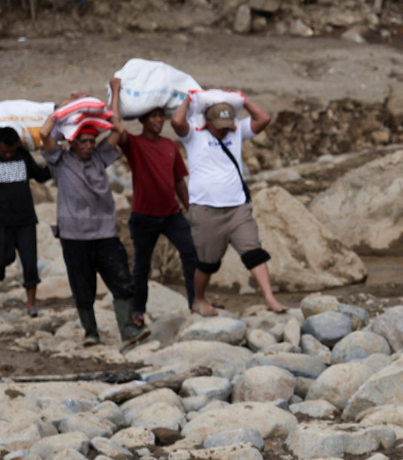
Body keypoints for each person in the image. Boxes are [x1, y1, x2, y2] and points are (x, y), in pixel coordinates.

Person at [39, 105, 148, 347]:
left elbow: (119, 130)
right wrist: (62, 113)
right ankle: (91, 333)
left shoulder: (100, 158)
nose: (89, 145)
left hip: (105, 234)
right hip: (73, 236)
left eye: (92, 140)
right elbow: (45, 135)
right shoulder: (60, 161)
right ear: (71, 142)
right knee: (82, 285)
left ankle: (129, 330)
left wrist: (99, 110)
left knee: (121, 280)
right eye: (84, 141)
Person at [170, 93, 287, 314]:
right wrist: (188, 100)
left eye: (228, 123)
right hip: (205, 209)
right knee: (207, 262)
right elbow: (176, 121)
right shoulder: (194, 134)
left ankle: (270, 299)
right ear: (208, 121)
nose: (225, 129)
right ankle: (199, 299)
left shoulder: (236, 132)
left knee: (254, 252)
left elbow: (264, 118)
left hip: (237, 208)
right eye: (220, 124)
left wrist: (243, 100)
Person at [107, 77, 207, 324]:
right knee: (142, 267)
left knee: (191, 254)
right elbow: (116, 127)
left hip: (172, 214)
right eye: (153, 116)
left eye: (161, 116)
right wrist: (116, 91)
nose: (159, 120)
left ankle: (196, 303)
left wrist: (191, 211)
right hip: (144, 217)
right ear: (142, 119)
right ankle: (137, 311)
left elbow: (179, 182)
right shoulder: (135, 144)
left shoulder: (170, 145)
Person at [0, 126, 51, 317]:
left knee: (30, 263)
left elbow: (41, 176)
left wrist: (56, 161)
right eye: (4, 151)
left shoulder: (23, 155)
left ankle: (31, 305)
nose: (8, 154)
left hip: (25, 220)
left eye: (12, 150)